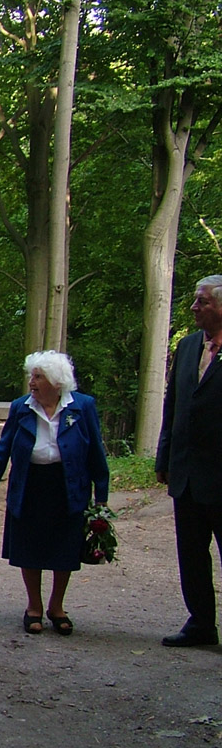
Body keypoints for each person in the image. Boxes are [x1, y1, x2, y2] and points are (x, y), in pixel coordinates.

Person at [0, 351, 110, 636]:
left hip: (68, 486)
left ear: (57, 382)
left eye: (38, 377)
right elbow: (3, 450)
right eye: (31, 376)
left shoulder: (82, 407)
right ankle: (33, 606)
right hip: (30, 485)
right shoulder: (21, 407)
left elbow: (96, 453)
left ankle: (57, 606)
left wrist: (101, 497)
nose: (31, 382)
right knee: (29, 547)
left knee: (65, 548)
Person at [156, 274, 222, 647]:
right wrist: (164, 457)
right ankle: (201, 624)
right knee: (192, 554)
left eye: (203, 301)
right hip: (186, 473)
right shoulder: (187, 347)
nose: (194, 308)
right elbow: (174, 405)